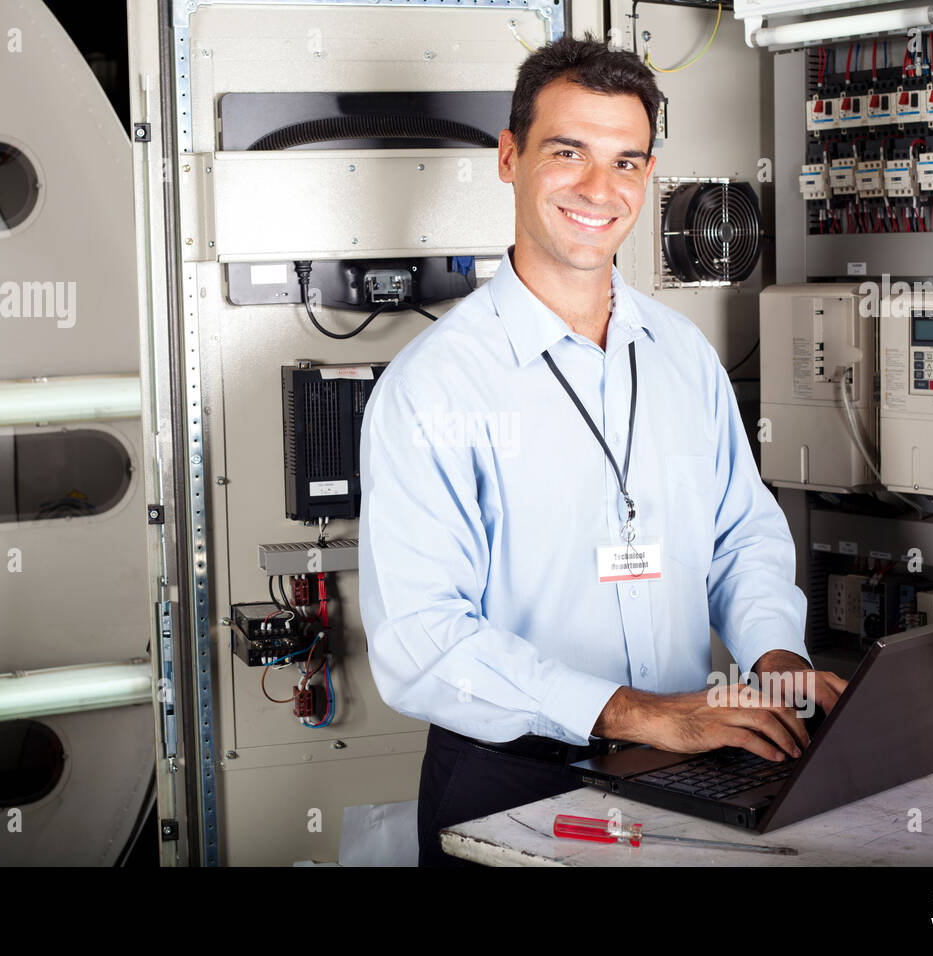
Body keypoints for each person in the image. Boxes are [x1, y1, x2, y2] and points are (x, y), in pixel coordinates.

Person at [357, 34, 846, 867]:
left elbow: (741, 535)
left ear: (648, 176)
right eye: (568, 152)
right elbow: (424, 640)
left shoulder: (681, 353)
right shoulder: (435, 386)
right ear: (509, 158)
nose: (598, 188)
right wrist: (639, 712)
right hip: (510, 780)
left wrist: (774, 658)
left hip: (683, 763)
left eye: (626, 161)